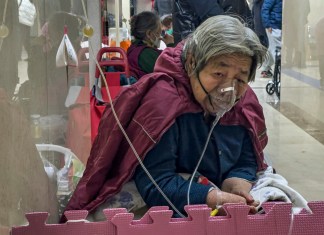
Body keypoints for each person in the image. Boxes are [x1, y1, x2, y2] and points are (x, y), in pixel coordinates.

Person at [62, 15, 268, 221]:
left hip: (219, 191)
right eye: (218, 74)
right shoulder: (163, 102)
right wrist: (216, 198)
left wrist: (237, 186)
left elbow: (247, 158)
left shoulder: (244, 102)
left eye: (240, 79)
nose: (228, 90)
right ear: (191, 64)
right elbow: (156, 181)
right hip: (168, 199)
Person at [127, 11, 174, 80]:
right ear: (149, 34)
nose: (161, 37)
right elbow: (173, 71)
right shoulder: (146, 54)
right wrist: (171, 44)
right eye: (159, 33)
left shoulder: (135, 48)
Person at [283, 0, 310, 68]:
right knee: (291, 42)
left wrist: (303, 17)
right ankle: (293, 62)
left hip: (297, 21)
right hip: (292, 22)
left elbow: (307, 8)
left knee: (298, 42)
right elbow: (286, 9)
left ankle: (299, 62)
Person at [260, 0, 282, 78]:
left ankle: (265, 68)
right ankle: (278, 70)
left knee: (272, 48)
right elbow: (265, 9)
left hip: (279, 25)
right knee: (276, 49)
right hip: (273, 26)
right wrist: (267, 25)